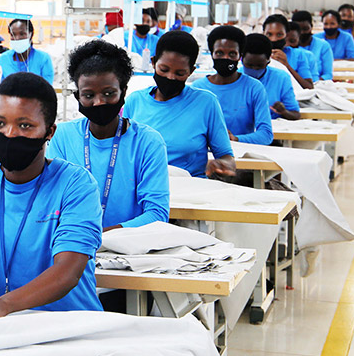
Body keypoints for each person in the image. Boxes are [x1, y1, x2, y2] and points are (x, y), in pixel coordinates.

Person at [0, 72, 104, 323]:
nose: (9, 134)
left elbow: (67, 272)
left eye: (25, 126)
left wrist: (3, 304)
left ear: (49, 131)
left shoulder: (76, 185)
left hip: (66, 327)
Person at [47, 39, 169, 231]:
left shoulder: (148, 142)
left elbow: (157, 213)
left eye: (108, 93)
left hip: (129, 247)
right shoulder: (62, 137)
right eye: (88, 95)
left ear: (123, 92)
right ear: (77, 96)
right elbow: (52, 204)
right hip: (71, 242)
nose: (99, 102)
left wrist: (105, 236)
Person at [123, 31, 235, 178]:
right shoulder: (135, 101)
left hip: (189, 192)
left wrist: (222, 165)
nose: (170, 77)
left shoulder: (206, 104)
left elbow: (226, 157)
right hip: (143, 187)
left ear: (191, 71)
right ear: (153, 62)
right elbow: (123, 152)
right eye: (164, 69)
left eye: (180, 73)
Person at [192, 26, 274, 145]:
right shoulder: (197, 88)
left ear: (240, 56)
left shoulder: (253, 88)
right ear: (211, 55)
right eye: (219, 53)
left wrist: (236, 139)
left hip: (241, 155)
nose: (226, 58)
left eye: (232, 54)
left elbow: (266, 134)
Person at [242, 33, 301, 120]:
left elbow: (295, 114)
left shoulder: (281, 78)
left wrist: (284, 112)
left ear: (268, 61)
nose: (254, 69)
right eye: (249, 65)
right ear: (241, 59)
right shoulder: (232, 78)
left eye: (259, 66)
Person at [262, 14, 314, 89]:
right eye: (269, 34)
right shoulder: (257, 55)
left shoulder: (298, 55)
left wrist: (286, 65)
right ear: (263, 33)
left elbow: (309, 86)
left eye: (279, 34)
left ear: (286, 34)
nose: (274, 39)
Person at [0, 19, 54, 83]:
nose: (17, 38)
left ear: (31, 34)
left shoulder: (43, 58)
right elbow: (0, 87)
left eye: (22, 34)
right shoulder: (3, 59)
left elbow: (47, 88)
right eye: (13, 34)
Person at [291, 10, 333, 80]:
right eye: (299, 30)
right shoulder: (289, 47)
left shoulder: (323, 46)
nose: (302, 32)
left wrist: (313, 84)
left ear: (311, 27)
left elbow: (328, 74)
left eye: (305, 29)